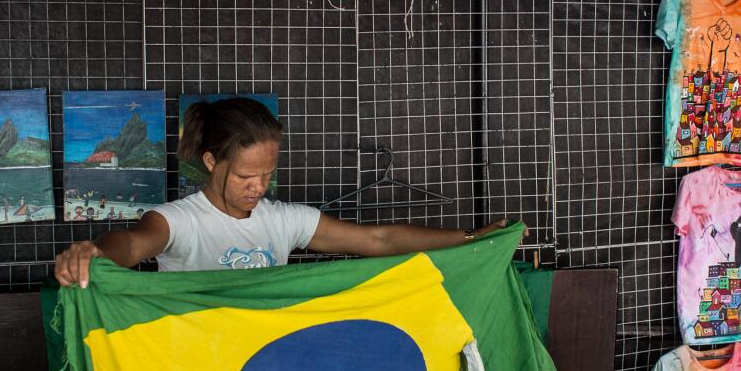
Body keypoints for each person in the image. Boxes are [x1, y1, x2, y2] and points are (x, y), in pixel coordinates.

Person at [55, 97, 511, 287]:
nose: (258, 189)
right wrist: (93, 253)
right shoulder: (178, 220)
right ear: (212, 162)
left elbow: (379, 240)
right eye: (244, 178)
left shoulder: (285, 220)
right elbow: (132, 244)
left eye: (266, 176)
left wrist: (468, 240)